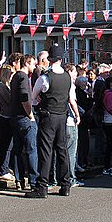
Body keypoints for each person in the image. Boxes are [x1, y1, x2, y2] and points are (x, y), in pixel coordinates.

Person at [25, 44, 80, 198]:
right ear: (61, 59)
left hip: (48, 116)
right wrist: (76, 115)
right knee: (62, 150)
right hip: (62, 116)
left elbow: (33, 98)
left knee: (46, 151)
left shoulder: (45, 77)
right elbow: (71, 99)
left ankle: (42, 187)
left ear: (49, 59)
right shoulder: (68, 77)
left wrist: (41, 100)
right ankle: (65, 185)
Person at [10, 54, 38, 191]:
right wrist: (31, 114)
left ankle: (19, 179)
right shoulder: (23, 77)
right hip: (24, 118)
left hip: (15, 117)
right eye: (33, 64)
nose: (35, 66)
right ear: (26, 63)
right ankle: (33, 182)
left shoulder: (15, 76)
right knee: (31, 150)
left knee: (17, 150)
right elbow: (24, 97)